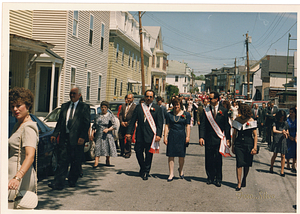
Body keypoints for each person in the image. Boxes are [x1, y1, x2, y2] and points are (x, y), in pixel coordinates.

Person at [48, 86, 90, 190]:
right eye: (70, 93)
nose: (72, 95)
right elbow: (60, 122)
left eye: (74, 93)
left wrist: (82, 137)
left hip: (77, 139)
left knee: (75, 161)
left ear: (79, 95)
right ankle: (58, 183)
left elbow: (86, 123)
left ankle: (72, 180)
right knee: (62, 160)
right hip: (64, 137)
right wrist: (55, 134)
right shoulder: (64, 106)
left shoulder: (84, 107)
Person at [8, 87, 39, 207]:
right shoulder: (18, 124)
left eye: (18, 105)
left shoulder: (28, 127)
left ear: (27, 105)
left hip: (19, 178)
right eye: (12, 106)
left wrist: (17, 177)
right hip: (12, 174)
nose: (15, 109)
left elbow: (30, 156)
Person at [126, 90, 163, 180]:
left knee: (148, 154)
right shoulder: (139, 107)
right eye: (147, 96)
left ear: (153, 98)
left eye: (150, 97)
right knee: (138, 152)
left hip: (151, 135)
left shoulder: (157, 108)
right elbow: (133, 121)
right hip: (140, 134)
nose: (148, 98)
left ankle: (146, 171)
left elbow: (160, 123)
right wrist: (128, 132)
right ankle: (142, 167)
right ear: (145, 97)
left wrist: (159, 135)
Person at [199, 91, 231, 187]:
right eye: (209, 98)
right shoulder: (206, 110)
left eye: (211, 98)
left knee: (218, 159)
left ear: (217, 99)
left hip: (219, 139)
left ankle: (218, 178)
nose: (209, 100)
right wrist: (201, 137)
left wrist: (228, 139)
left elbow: (227, 126)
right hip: (209, 138)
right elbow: (203, 125)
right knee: (209, 159)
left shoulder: (224, 111)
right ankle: (210, 177)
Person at [231, 103, 258, 191]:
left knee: (246, 164)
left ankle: (244, 178)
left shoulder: (251, 120)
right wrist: (233, 144)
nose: (238, 111)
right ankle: (238, 183)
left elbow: (255, 135)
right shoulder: (237, 119)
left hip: (248, 143)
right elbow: (234, 133)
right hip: (239, 144)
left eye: (239, 109)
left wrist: (255, 147)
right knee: (239, 163)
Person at [164, 98, 191, 181]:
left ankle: (181, 170)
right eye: (175, 105)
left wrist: (188, 136)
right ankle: (171, 173)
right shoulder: (169, 114)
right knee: (171, 155)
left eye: (178, 105)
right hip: (172, 135)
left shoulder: (186, 114)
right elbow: (167, 125)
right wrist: (165, 136)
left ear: (180, 105)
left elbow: (188, 126)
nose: (176, 106)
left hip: (181, 136)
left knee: (181, 155)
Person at [90, 101, 118, 167]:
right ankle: (96, 162)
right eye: (102, 107)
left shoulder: (110, 116)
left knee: (107, 148)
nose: (103, 109)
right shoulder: (97, 116)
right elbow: (94, 125)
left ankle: (107, 159)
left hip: (107, 134)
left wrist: (108, 129)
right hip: (99, 134)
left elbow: (115, 126)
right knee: (97, 148)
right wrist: (92, 133)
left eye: (105, 107)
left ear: (107, 108)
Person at [269, 110, 289, 176]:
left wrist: (286, 133)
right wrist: (281, 132)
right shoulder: (275, 122)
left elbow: (287, 131)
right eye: (281, 117)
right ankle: (271, 167)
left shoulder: (285, 123)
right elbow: (274, 130)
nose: (282, 118)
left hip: (283, 139)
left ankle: (282, 171)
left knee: (283, 155)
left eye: (283, 117)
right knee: (275, 154)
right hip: (277, 139)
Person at [286, 107, 297, 172]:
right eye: (290, 112)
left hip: (296, 137)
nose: (290, 113)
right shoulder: (287, 120)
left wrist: (295, 137)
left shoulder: (297, 120)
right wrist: (289, 136)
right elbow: (286, 128)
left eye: (292, 112)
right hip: (289, 136)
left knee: (295, 151)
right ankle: (287, 163)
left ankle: (293, 164)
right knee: (288, 150)